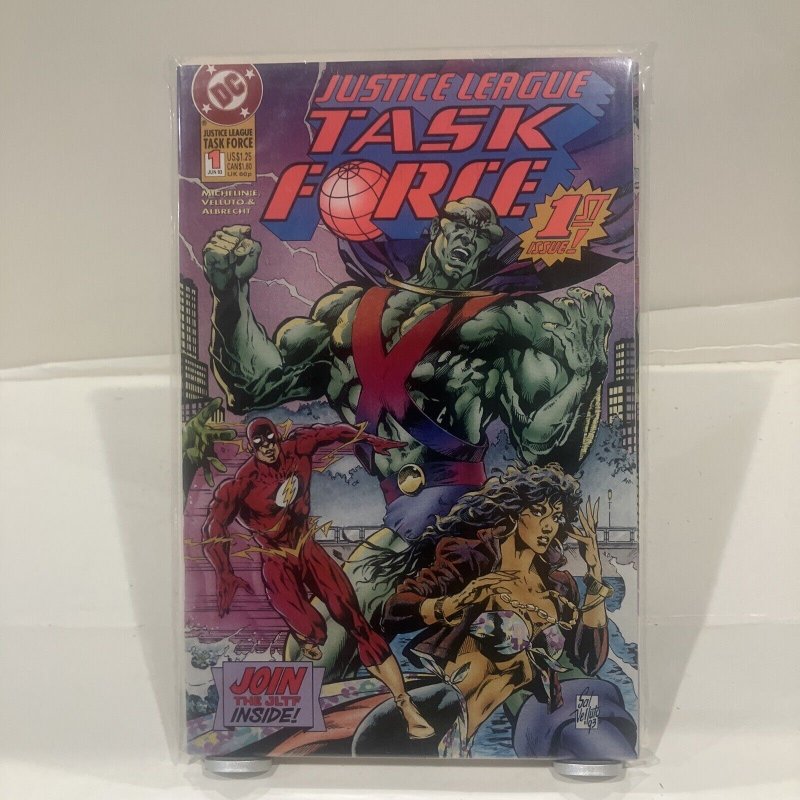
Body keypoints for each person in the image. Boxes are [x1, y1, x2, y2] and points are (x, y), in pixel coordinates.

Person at [200, 198, 613, 677]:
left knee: (328, 651)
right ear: (436, 228)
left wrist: (585, 379)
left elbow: (548, 451)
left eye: (482, 235)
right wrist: (230, 296)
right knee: (311, 653)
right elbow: (256, 386)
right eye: (460, 225)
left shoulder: (504, 323)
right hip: (402, 515)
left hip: (461, 515)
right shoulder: (347, 312)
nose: (468, 238)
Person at [351, 464, 634, 758]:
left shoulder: (559, 587)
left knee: (600, 740)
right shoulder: (474, 559)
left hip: (532, 715)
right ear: (515, 513)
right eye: (539, 512)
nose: (549, 526)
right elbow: (394, 610)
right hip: (446, 716)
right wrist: (456, 602)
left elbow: (588, 661)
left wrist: (594, 575)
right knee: (597, 746)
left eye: (556, 517)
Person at [201, 417, 434, 739]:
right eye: (259, 444)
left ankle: (406, 705)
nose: (267, 447)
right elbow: (213, 527)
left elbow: (332, 432)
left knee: (355, 621)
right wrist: (224, 572)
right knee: (314, 631)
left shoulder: (298, 448)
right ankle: (306, 638)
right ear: (252, 447)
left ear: (277, 436)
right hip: (277, 560)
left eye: (270, 439)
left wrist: (369, 440)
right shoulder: (243, 483)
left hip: (307, 548)